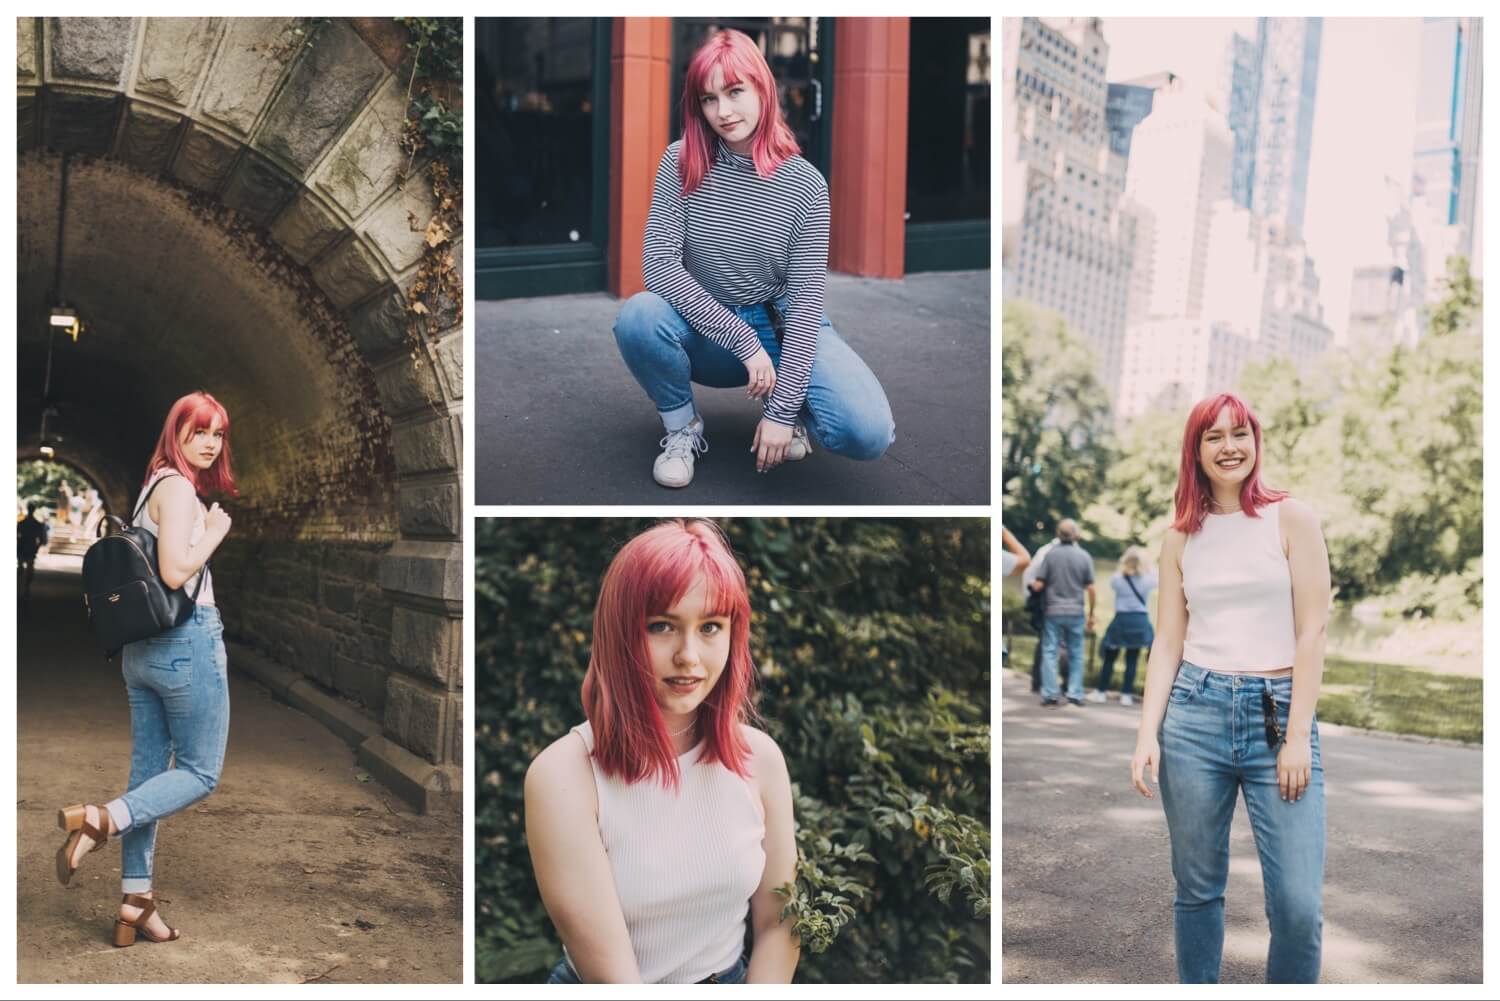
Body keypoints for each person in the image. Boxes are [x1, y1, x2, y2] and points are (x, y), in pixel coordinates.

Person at [613, 28, 895, 488]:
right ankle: (683, 429)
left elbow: (806, 304)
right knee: (639, 317)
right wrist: (742, 340)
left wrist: (782, 412)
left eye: (735, 92)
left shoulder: (806, 185)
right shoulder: (681, 160)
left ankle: (790, 404)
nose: (722, 111)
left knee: (867, 433)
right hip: (709, 330)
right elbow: (659, 265)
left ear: (764, 89)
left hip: (781, 328)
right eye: (708, 99)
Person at [525, 519, 798, 983]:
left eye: (711, 626)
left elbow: (779, 923)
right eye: (662, 626)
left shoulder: (761, 759)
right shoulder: (562, 776)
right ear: (620, 633)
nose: (689, 655)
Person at [1130, 392, 1330, 984]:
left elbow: (1313, 630)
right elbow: (1167, 642)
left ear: (1255, 442)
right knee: (1196, 888)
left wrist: (1298, 738)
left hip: (1279, 716)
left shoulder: (1291, 518)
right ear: (1195, 450)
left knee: (1298, 907)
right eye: (1214, 436)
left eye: (1239, 433)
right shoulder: (1179, 539)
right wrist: (1147, 734)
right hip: (1194, 716)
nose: (1229, 447)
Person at [54, 391, 236, 947]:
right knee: (201, 773)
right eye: (198, 431)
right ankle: (98, 820)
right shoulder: (179, 489)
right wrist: (215, 532)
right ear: (175, 433)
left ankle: (136, 904)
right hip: (186, 643)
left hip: (142, 652)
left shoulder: (153, 485)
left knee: (150, 779)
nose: (209, 443)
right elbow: (177, 572)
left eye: (218, 434)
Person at [1033, 519, 1095, 707]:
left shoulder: (1050, 555)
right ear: (1076, 535)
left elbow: (1039, 584)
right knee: (1076, 652)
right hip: (1076, 611)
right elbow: (1091, 588)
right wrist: (1092, 614)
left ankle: (1051, 694)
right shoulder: (1084, 556)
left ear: (1058, 534)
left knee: (1050, 651)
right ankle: (1075, 693)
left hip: (1053, 611)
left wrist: (1032, 588)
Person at [1087, 545, 1158, 707]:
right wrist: (1148, 565)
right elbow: (1158, 576)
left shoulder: (1117, 579)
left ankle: (1101, 692)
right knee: (1132, 659)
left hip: (1121, 620)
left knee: (1110, 659)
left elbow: (1114, 583)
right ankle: (1126, 695)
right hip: (1140, 620)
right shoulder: (1148, 580)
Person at [17, 502, 50, 604]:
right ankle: (25, 586)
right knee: (29, 567)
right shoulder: (37, 524)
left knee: (21, 566)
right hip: (30, 547)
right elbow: (42, 539)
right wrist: (37, 546)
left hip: (22, 547)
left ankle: (19, 585)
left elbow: (16, 536)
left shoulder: (21, 523)